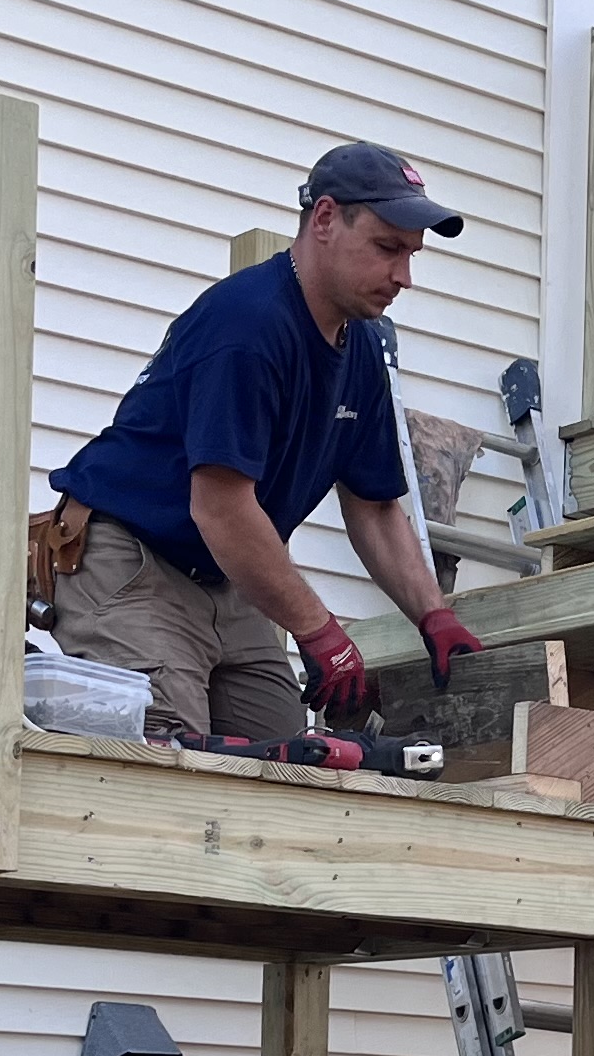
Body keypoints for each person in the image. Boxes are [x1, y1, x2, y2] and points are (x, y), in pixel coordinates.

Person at [39, 141, 483, 745]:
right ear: (325, 219)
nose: (403, 277)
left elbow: (376, 508)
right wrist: (321, 632)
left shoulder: (362, 352)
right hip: (131, 559)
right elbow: (220, 505)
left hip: (224, 574)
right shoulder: (247, 325)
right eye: (387, 248)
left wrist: (434, 616)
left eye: (411, 255)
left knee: (291, 764)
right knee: (165, 754)